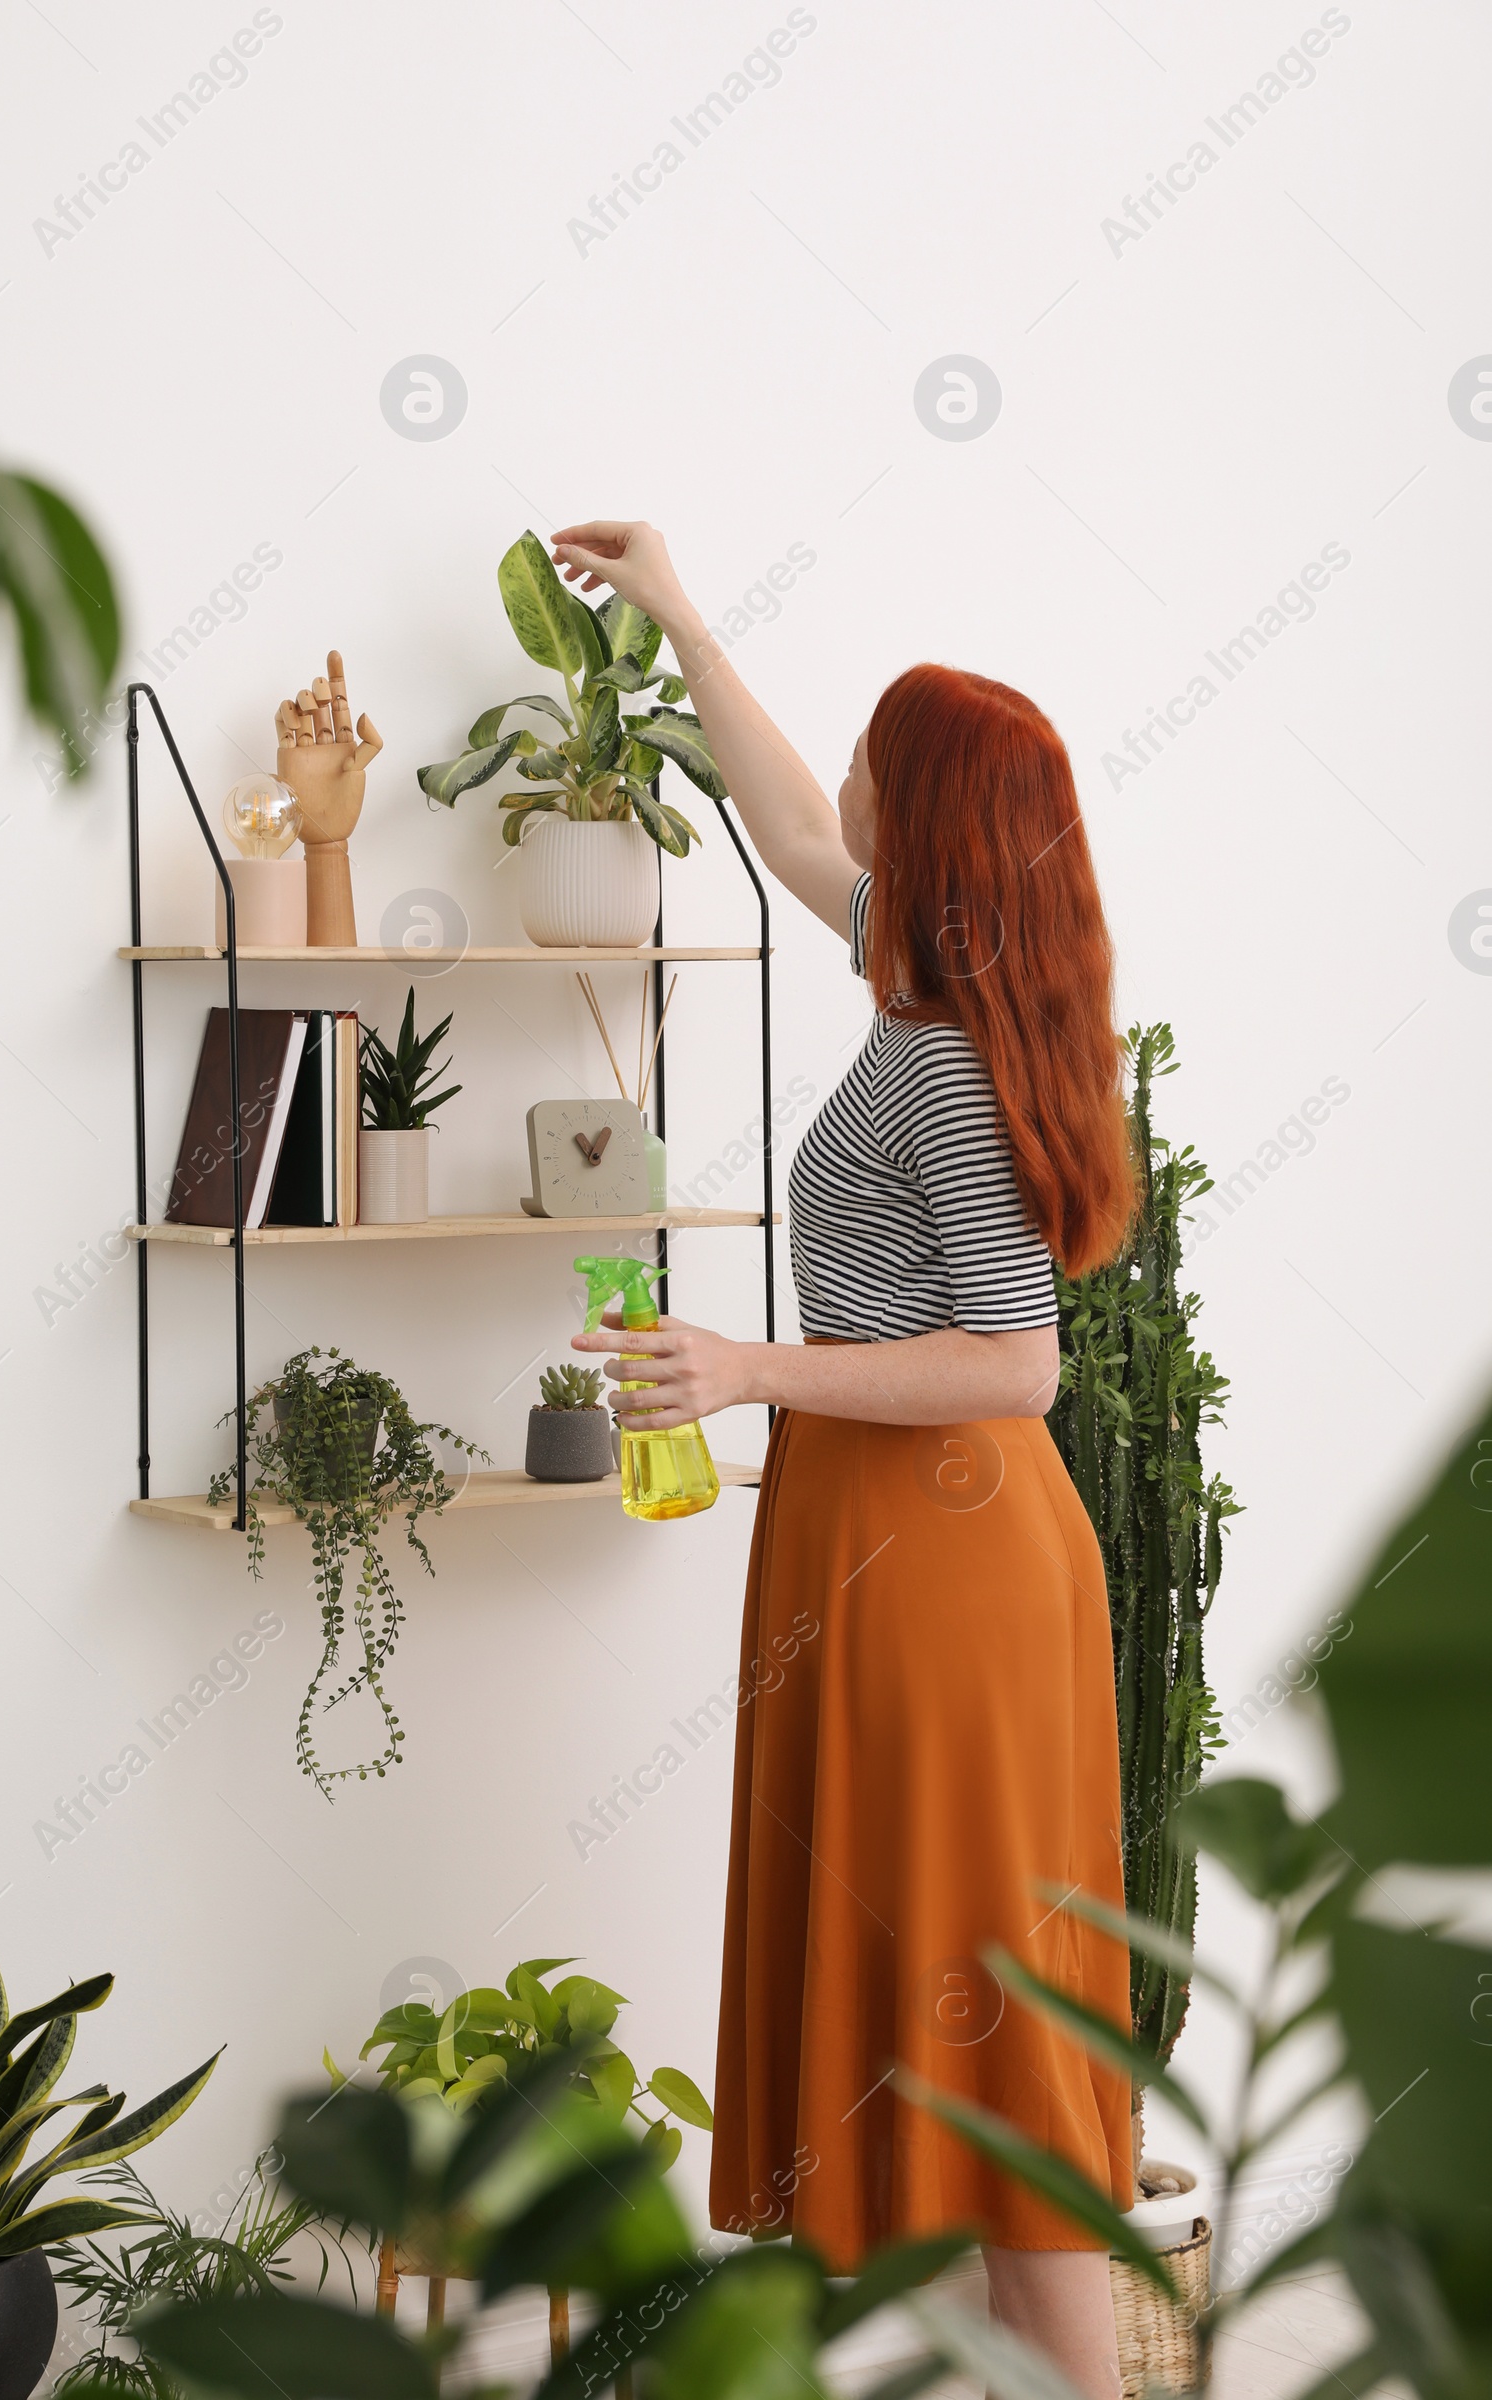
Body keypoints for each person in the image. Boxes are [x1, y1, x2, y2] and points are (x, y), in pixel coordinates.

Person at [558, 519, 1136, 2400]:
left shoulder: (955, 1064)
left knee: (1004, 2074)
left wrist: (747, 1366)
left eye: (887, 760)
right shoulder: (923, 997)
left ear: (943, 823)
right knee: (957, 2054)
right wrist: (681, 618)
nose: (857, 778)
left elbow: (1013, 1364)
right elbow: (800, 825)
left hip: (951, 1566)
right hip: (885, 1554)